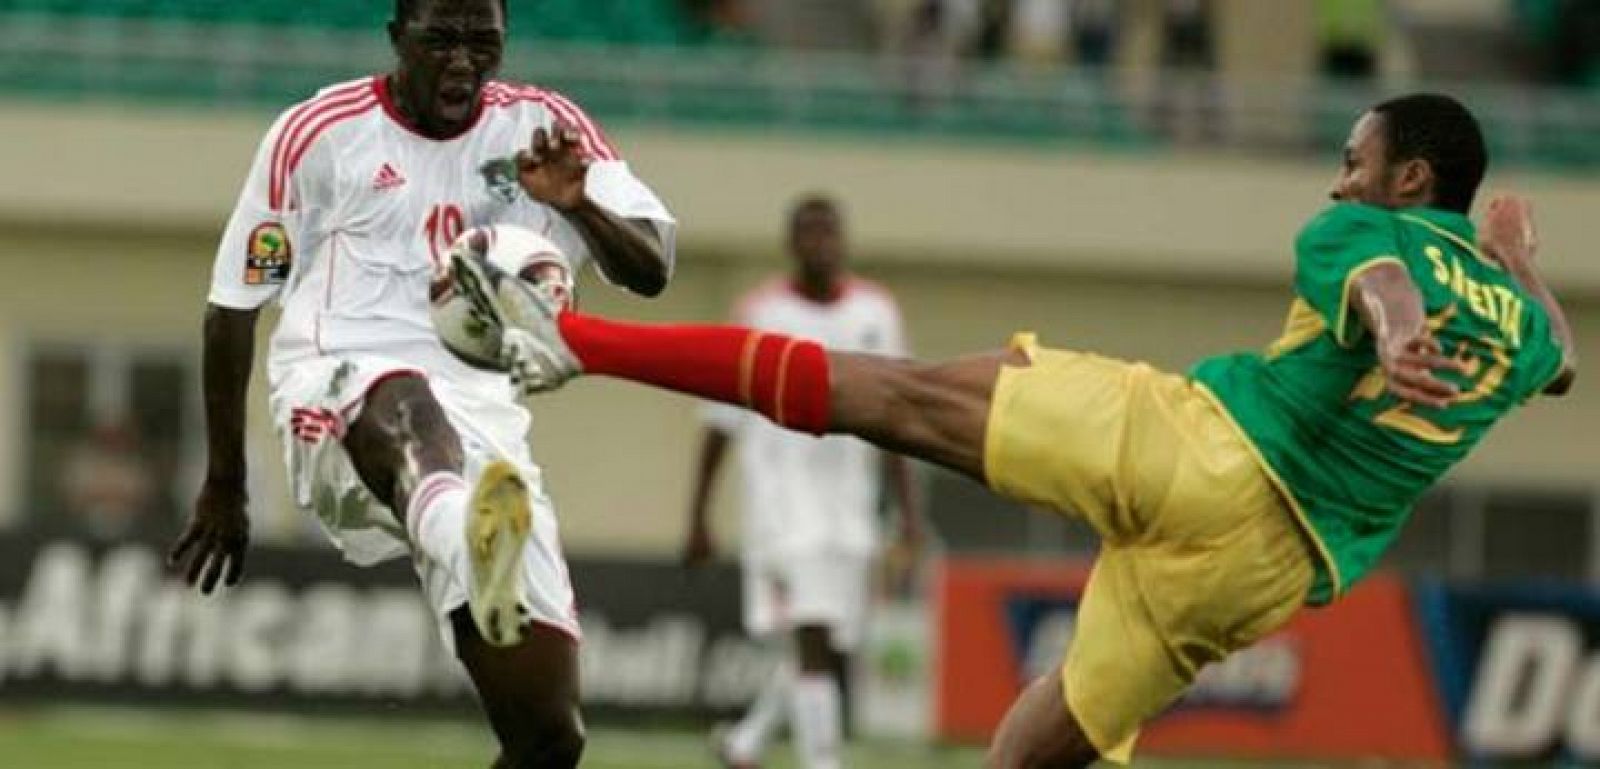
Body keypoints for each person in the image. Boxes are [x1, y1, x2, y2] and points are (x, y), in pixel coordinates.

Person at [456, 93, 1576, 767]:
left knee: (892, 396)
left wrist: (1391, 325)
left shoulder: (1365, 233)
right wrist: (1517, 260)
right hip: (1261, 580)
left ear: (1408, 177)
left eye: (1355, 161)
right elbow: (1565, 361)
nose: (1341, 183)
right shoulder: (1521, 323)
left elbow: (1380, 277)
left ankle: (574, 341)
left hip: (1202, 452)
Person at [169, 0, 676, 766]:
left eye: (484, 40)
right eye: (442, 38)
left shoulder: (543, 128)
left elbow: (652, 269)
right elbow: (230, 311)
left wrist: (577, 205)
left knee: (549, 737)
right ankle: (463, 533)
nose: (465, 59)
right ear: (396, 37)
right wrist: (224, 482)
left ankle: (476, 534)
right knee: (401, 392)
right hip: (338, 391)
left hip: (486, 433)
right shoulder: (319, 134)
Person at [683, 196, 922, 769]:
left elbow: (896, 417)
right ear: (790, 243)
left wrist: (910, 519)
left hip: (850, 511)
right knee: (813, 635)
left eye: (829, 230)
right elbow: (721, 423)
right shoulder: (759, 312)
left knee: (829, 643)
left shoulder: (876, 312)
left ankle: (746, 744)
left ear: (845, 239)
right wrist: (698, 517)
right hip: (781, 509)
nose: (820, 241)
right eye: (808, 231)